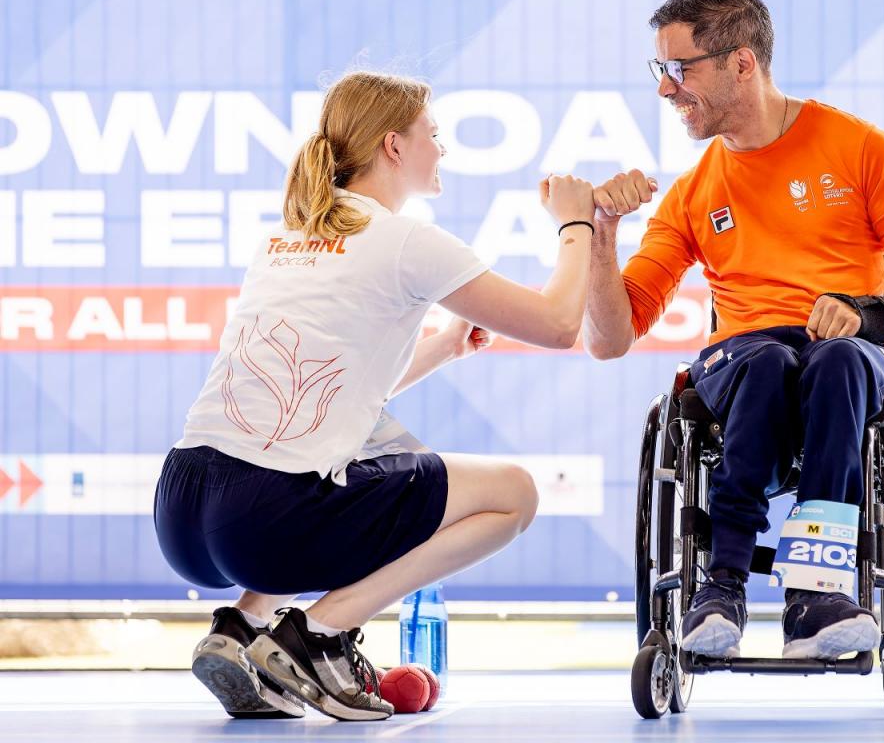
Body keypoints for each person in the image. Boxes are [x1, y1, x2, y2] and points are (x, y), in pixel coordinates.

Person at [154, 71, 597, 721]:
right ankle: (319, 633)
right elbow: (559, 324)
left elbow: (333, 394)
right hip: (262, 522)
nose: (441, 149)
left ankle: (243, 627)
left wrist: (445, 344)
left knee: (354, 451)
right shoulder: (406, 239)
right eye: (434, 135)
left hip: (183, 510)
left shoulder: (287, 236)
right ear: (394, 145)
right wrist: (577, 223)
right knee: (513, 495)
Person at [584, 0, 884, 661]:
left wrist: (878, 312)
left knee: (840, 357)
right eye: (661, 71)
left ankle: (817, 593)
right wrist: (601, 232)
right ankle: (724, 584)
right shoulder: (691, 196)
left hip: (849, 356)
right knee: (765, 358)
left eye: (679, 70)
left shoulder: (860, 150)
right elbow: (610, 338)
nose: (667, 90)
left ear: (742, 63)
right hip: (744, 362)